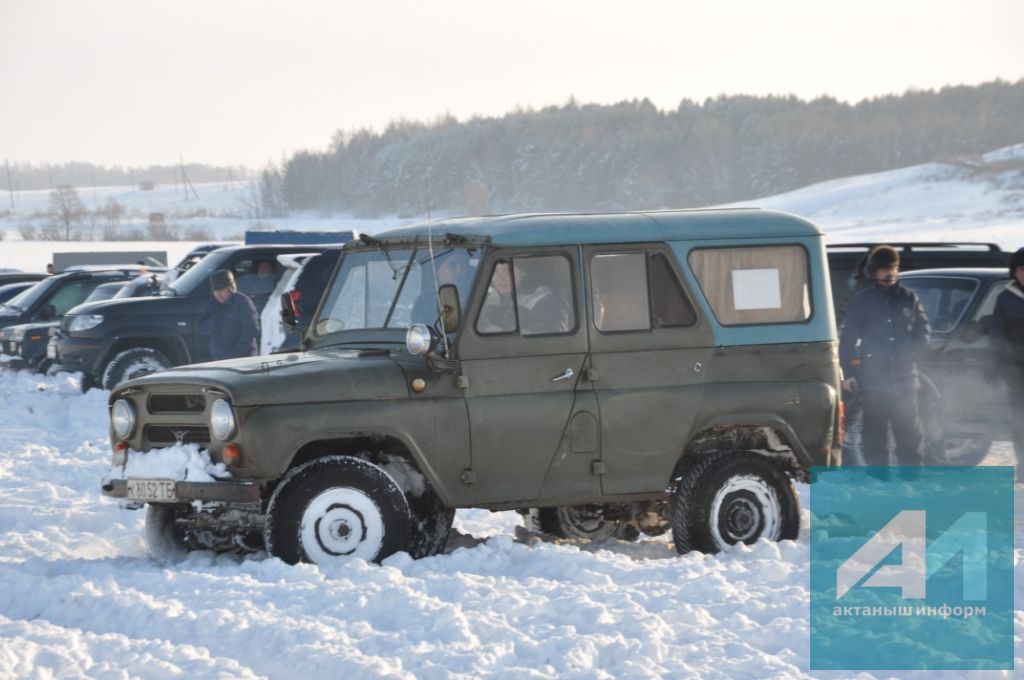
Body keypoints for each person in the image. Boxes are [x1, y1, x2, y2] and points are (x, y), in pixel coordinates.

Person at [839, 245, 931, 466]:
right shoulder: (863, 300)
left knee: (910, 435)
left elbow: (924, 331)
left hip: (904, 380)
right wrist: (849, 372)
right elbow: (848, 339)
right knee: (875, 437)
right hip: (873, 381)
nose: (889, 273)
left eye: (893, 268)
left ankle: (910, 483)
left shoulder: (909, 298)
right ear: (874, 271)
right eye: (884, 269)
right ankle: (879, 484)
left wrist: (910, 355)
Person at [987, 247, 1024, 480]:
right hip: (1016, 370)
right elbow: (996, 336)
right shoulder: (1006, 298)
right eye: (1022, 269)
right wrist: (992, 367)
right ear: (1014, 272)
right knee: (1020, 419)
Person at [198, 269, 259, 360]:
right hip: (220, 358)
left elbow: (252, 329)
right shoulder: (212, 305)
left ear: (230, 288)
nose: (218, 293)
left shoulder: (243, 302)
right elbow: (202, 326)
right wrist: (215, 322)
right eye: (215, 290)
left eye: (221, 289)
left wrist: (235, 352)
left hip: (243, 359)